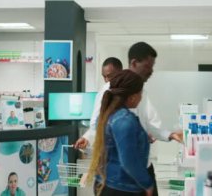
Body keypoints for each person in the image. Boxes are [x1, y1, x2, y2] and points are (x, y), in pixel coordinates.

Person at [75, 42, 183, 196]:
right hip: (122, 176)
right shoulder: (112, 93)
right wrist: (87, 138)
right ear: (133, 63)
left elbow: (149, 122)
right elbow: (98, 125)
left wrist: (168, 135)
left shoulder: (138, 91)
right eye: (147, 66)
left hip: (137, 169)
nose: (151, 71)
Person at [87, 70, 153, 196]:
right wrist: (147, 183)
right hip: (121, 188)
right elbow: (129, 161)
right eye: (141, 93)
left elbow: (114, 145)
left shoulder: (109, 115)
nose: (142, 97)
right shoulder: (124, 120)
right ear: (133, 97)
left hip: (107, 182)